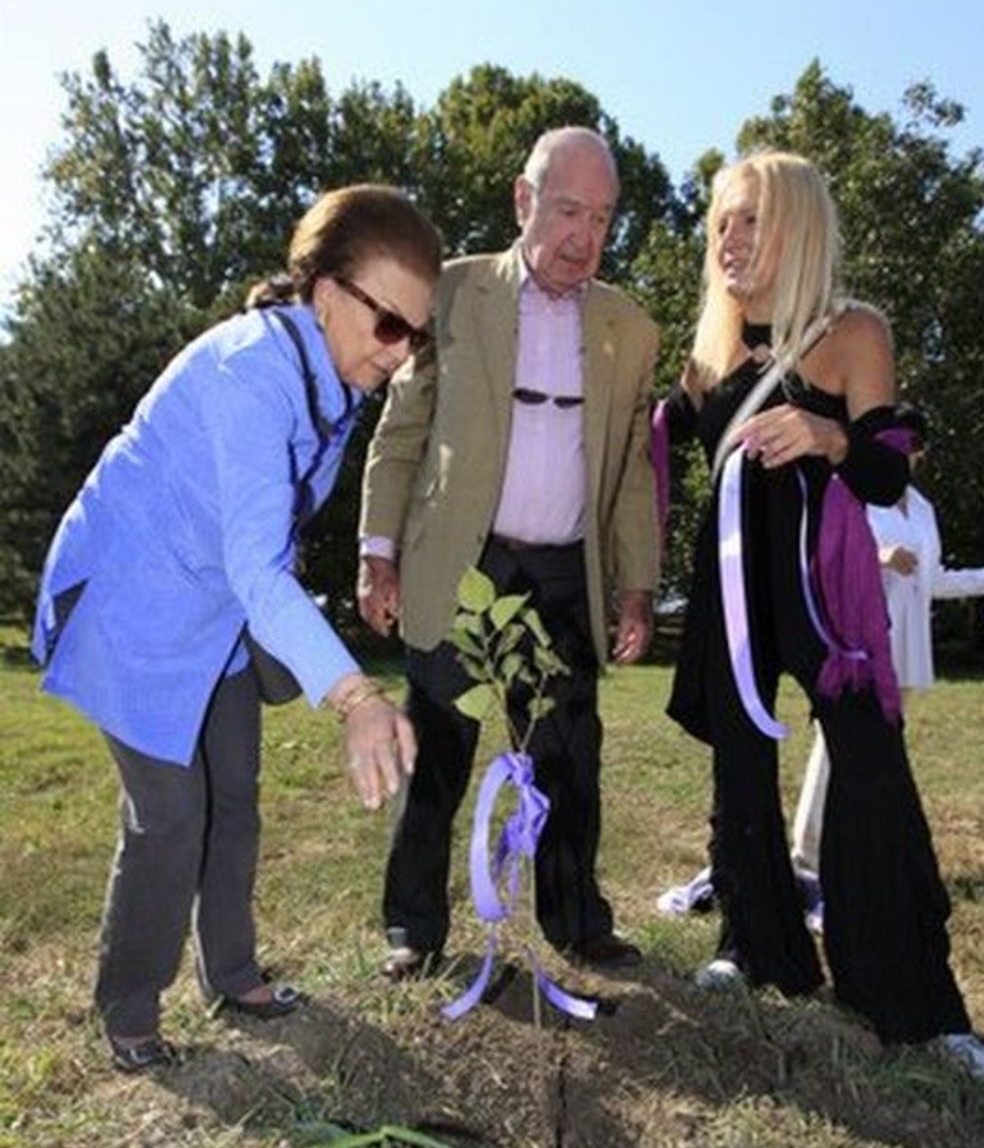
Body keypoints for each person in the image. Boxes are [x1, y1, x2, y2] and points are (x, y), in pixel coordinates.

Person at [32, 185, 442, 1072]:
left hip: (210, 619)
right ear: (326, 292)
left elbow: (263, 547)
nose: (402, 354)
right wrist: (356, 694)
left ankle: (234, 973)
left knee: (238, 796)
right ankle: (130, 1010)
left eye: (418, 334)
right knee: (171, 817)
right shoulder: (250, 374)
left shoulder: (334, 380)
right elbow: (260, 562)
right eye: (389, 326)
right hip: (132, 609)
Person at [660, 150, 984, 1078]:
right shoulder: (712, 349)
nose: (730, 239)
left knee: (869, 763)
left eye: (752, 220)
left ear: (800, 227)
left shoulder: (854, 332)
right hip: (732, 584)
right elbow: (658, 435)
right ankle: (754, 942)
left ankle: (917, 1003)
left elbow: (887, 469)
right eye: (722, 221)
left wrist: (826, 432)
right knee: (739, 760)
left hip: (827, 586)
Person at [357, 127, 660, 980]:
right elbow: (401, 431)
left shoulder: (630, 330)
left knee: (568, 755)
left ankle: (576, 922)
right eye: (568, 210)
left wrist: (637, 583)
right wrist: (378, 552)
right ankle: (413, 928)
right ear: (524, 202)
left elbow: (633, 472)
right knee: (438, 751)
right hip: (463, 564)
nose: (583, 236)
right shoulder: (450, 296)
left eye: (601, 219)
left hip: (563, 572)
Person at [791, 404, 984, 880]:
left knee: (879, 754)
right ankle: (807, 859)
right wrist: (877, 556)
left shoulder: (923, 509)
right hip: (855, 645)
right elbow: (821, 561)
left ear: (919, 453)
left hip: (906, 649)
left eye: (909, 447)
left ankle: (865, 853)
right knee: (835, 745)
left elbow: (935, 582)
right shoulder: (848, 492)